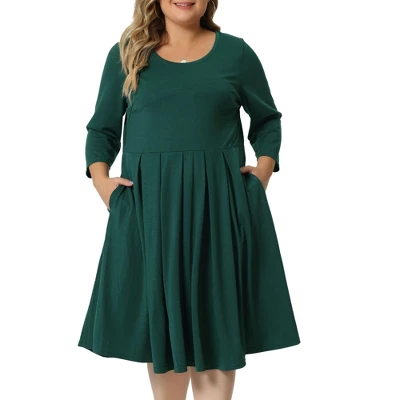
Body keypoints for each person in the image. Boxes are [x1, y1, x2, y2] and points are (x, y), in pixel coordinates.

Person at [77, 0, 301, 399]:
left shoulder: (236, 54)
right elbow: (102, 130)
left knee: (217, 324)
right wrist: (102, 182)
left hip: (218, 214)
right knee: (162, 329)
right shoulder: (127, 54)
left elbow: (267, 120)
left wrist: (262, 173)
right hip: (151, 215)